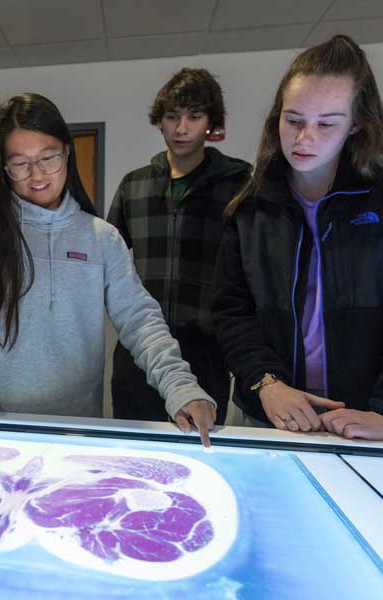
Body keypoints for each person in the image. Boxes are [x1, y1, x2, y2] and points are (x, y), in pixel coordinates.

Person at [0, 92, 215, 445]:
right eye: (20, 163)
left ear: (66, 153)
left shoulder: (101, 239)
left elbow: (140, 320)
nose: (37, 175)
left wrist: (181, 386)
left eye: (48, 158)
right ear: (2, 168)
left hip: (71, 432)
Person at [213, 35, 383, 440]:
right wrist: (265, 383)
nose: (304, 137)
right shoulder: (253, 200)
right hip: (274, 416)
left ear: (358, 122)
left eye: (326, 123)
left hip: (379, 417)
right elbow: (232, 311)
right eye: (293, 120)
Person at [107, 68, 250, 425]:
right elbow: (110, 265)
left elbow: (253, 268)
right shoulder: (133, 186)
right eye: (172, 117)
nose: (181, 128)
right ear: (160, 122)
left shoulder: (240, 183)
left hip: (206, 348)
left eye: (194, 117)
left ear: (210, 123)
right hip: (138, 348)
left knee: (198, 445)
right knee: (133, 446)